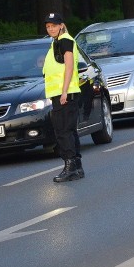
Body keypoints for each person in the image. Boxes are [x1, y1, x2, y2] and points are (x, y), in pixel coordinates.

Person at [43, 12, 84, 182]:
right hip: (61, 94)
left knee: (63, 132)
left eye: (53, 25)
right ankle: (77, 167)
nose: (51, 28)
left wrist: (65, 91)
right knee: (69, 131)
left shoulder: (65, 41)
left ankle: (69, 167)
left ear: (61, 25)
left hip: (64, 94)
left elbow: (68, 67)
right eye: (48, 26)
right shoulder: (57, 42)